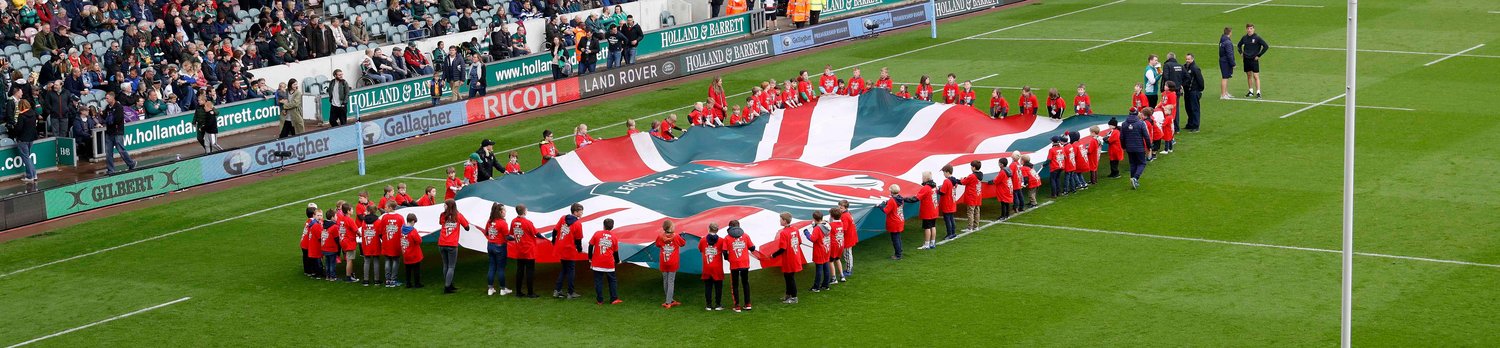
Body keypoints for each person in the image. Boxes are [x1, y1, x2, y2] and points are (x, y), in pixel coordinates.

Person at [719, 220, 755, 312]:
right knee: (745, 283)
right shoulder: (745, 235)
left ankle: (737, 306)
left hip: (734, 263)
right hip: (745, 263)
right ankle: (748, 304)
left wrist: (728, 258)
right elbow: (752, 248)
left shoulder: (727, 238)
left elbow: (724, 251)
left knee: (735, 285)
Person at [552, 203, 585, 299]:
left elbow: (555, 230)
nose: (582, 213)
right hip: (569, 250)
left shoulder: (563, 218)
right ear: (575, 212)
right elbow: (578, 239)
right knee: (570, 271)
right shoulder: (578, 224)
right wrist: (580, 249)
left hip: (561, 248)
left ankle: (557, 290)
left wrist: (554, 241)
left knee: (564, 269)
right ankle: (570, 292)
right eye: (580, 211)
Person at [770, 212, 805, 303]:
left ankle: (794, 297)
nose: (780, 221)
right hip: (795, 256)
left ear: (785, 221)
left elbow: (783, 248)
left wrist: (773, 255)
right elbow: (799, 242)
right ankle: (788, 295)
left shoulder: (784, 233)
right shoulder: (795, 229)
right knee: (788, 276)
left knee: (790, 278)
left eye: (781, 219)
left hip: (789, 258)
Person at [880, 185, 920, 260]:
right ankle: (899, 252)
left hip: (894, 222)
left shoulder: (892, 200)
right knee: (898, 238)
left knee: (895, 239)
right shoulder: (900, 199)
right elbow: (894, 205)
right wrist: (887, 203)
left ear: (891, 191)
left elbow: (886, 211)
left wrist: (880, 206)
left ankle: (898, 255)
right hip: (899, 220)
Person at [509, 204, 540, 298]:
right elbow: (536, 233)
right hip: (529, 250)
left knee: (520, 271)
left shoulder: (513, 221)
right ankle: (530, 292)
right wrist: (547, 239)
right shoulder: (528, 222)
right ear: (524, 211)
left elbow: (511, 234)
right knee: (530, 271)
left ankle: (518, 292)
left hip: (519, 250)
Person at [589, 218, 623, 305]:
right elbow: (616, 252)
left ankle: (600, 300)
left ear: (603, 225)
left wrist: (590, 257)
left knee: (598, 281)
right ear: (612, 226)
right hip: (609, 263)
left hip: (597, 262)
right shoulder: (614, 237)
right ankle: (613, 299)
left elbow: (590, 245)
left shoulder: (597, 234)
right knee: (612, 281)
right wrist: (617, 261)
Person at [101, 92, 136, 174]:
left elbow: (118, 119)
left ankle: (131, 163)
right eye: (106, 98)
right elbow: (105, 117)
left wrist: (110, 119)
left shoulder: (118, 107)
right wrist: (102, 114)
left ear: (112, 98)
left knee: (121, 150)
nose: (106, 100)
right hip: (109, 132)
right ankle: (111, 170)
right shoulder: (107, 107)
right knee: (108, 152)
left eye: (107, 98)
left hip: (117, 132)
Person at [481, 203, 512, 296]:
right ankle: (503, 289)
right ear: (500, 212)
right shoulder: (502, 223)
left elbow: (486, 232)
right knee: (501, 269)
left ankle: (490, 289)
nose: (505, 212)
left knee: (491, 267)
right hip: (500, 247)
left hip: (490, 245)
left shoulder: (490, 221)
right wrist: (516, 238)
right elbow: (507, 237)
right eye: (504, 210)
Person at [376, 201, 406, 287]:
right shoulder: (400, 218)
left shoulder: (384, 218)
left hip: (387, 242)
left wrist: (384, 239)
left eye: (386, 207)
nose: (384, 208)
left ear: (390, 208)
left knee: (387, 260)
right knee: (396, 261)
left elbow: (380, 231)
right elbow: (403, 231)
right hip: (396, 243)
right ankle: (393, 280)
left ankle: (388, 280)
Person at [656, 220, 685, 308]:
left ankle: (669, 299)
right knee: (671, 281)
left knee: (665, 280)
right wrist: (682, 237)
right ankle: (668, 302)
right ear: (670, 227)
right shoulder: (676, 236)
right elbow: (683, 243)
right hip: (673, 262)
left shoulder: (660, 236)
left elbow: (657, 244)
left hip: (664, 261)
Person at [1122, 108, 1153, 189]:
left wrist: (1124, 147)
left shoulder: (1124, 124)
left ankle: (1133, 179)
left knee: (1133, 164)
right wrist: (1149, 146)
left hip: (1129, 148)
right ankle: (1135, 178)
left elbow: (1121, 137)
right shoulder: (1141, 123)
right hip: (1139, 147)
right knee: (1142, 163)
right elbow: (1146, 136)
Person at [1237, 23, 1268, 98]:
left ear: (1253, 29)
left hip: (1254, 60)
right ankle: (1251, 91)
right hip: (1246, 59)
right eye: (1248, 28)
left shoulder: (1257, 38)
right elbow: (1239, 45)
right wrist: (1241, 53)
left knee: (1256, 76)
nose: (1249, 30)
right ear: (1246, 29)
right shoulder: (1244, 38)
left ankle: (1258, 92)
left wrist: (1259, 55)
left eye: (1251, 28)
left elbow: (1266, 46)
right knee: (1248, 75)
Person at [804, 211, 832, 292]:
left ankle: (816, 287)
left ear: (814, 218)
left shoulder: (817, 228)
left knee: (819, 269)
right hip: (826, 249)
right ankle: (826, 285)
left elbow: (812, 239)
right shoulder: (827, 225)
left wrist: (806, 233)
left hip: (819, 251)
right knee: (826, 268)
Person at [700, 223, 725, 310]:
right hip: (717, 267)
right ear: (717, 230)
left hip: (707, 266)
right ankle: (718, 304)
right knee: (718, 286)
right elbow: (724, 250)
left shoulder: (703, 240)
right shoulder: (721, 240)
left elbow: (700, 249)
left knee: (708, 286)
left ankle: (708, 305)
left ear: (708, 229)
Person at [12, 100, 39, 182]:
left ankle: (30, 176)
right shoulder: (33, 113)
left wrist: (14, 129)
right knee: (28, 157)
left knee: (26, 158)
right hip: (31, 139)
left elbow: (19, 129)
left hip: (23, 139)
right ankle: (34, 174)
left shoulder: (21, 116)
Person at [400, 213, 425, 289]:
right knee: (416, 270)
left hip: (406, 252)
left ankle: (408, 283)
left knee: (408, 270)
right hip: (414, 253)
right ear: (413, 221)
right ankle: (417, 283)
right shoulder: (413, 231)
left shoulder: (402, 229)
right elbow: (419, 240)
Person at [915, 172, 939, 250]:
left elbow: (917, 198)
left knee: (927, 227)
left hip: (928, 210)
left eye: (923, 177)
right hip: (934, 209)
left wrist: (905, 199)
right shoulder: (934, 186)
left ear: (925, 178)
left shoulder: (926, 188)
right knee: (933, 226)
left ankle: (926, 244)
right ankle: (932, 242)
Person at [360, 210, 384, 287]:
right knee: (376, 261)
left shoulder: (364, 221)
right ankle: (376, 280)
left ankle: (366, 280)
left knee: (366, 261)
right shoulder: (378, 221)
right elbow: (380, 233)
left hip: (366, 244)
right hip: (375, 244)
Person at [338, 204, 361, 282]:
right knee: (349, 260)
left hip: (343, 240)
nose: (353, 211)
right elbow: (356, 230)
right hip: (349, 242)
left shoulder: (342, 219)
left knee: (348, 259)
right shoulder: (350, 220)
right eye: (351, 209)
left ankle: (350, 274)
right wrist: (361, 235)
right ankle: (349, 276)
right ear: (348, 211)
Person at [1183, 54, 1205, 132]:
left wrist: (1200, 90)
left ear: (1192, 59)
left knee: (1195, 109)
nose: (1187, 61)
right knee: (1188, 108)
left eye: (1189, 59)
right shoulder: (1184, 67)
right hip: (1187, 91)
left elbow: (1200, 80)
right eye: (1186, 59)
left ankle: (1196, 126)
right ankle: (1190, 124)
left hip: (1194, 91)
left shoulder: (1195, 68)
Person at [303, 206, 326, 278]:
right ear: (314, 215)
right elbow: (319, 237)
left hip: (309, 244)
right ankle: (318, 273)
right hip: (313, 245)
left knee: (312, 259)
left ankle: (312, 272)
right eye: (318, 215)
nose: (320, 217)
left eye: (321, 215)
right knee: (316, 260)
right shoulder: (315, 225)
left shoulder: (312, 222)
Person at [938, 165, 959, 241]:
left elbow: (942, 192)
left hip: (947, 203)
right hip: (952, 202)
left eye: (944, 172)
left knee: (947, 220)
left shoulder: (946, 181)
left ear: (947, 172)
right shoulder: (954, 181)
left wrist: (937, 189)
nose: (943, 174)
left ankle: (949, 234)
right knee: (951, 219)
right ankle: (953, 233)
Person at [961, 161, 983, 232]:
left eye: (971, 166)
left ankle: (970, 227)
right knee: (977, 211)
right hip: (978, 195)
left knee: (970, 212)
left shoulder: (972, 176)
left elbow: (964, 182)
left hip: (972, 196)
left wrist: (962, 179)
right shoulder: (980, 174)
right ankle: (976, 226)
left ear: (974, 167)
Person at [825, 208, 845, 285]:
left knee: (830, 261)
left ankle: (834, 278)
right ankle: (842, 276)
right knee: (838, 259)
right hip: (841, 244)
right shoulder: (842, 223)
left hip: (834, 245)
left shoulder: (830, 225)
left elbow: (827, 230)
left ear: (832, 216)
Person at [837, 200, 856, 278]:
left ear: (845, 208)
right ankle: (849, 268)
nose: (839, 209)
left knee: (847, 254)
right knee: (848, 253)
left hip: (848, 238)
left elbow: (844, 229)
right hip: (850, 236)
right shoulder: (848, 213)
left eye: (841, 208)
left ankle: (849, 270)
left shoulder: (845, 216)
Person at [1218, 27, 1237, 100]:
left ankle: (1225, 92)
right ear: (1230, 33)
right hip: (1226, 62)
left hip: (1223, 60)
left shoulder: (1222, 40)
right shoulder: (1228, 42)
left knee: (1226, 77)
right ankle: (1223, 95)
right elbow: (1229, 54)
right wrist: (1233, 64)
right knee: (1225, 78)